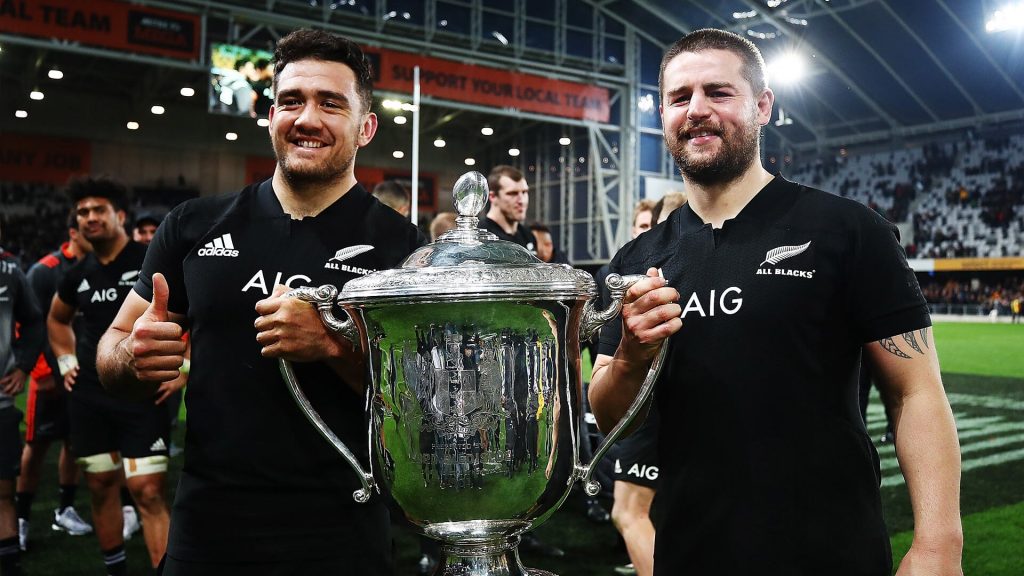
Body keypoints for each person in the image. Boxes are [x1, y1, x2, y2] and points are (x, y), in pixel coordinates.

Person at [589, 28, 962, 575]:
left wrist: (938, 544)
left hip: (831, 555)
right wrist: (630, 357)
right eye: (679, 97)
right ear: (664, 115)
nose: (697, 109)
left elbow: (916, 391)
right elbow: (611, 418)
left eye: (718, 92)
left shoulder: (848, 231)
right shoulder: (635, 260)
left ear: (762, 106)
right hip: (689, 554)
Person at [96, 29, 423, 575]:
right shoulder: (193, 225)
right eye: (291, 101)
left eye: (331, 104)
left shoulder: (406, 250)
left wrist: (334, 344)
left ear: (365, 128)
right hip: (207, 531)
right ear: (271, 117)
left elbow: (427, 405)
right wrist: (132, 357)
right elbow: (112, 352)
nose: (307, 118)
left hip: (342, 535)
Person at [48, 176, 175, 574]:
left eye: (98, 210)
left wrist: (183, 366)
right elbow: (57, 320)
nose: (89, 217)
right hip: (89, 396)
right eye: (82, 212)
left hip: (142, 393)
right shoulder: (76, 274)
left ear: (120, 215)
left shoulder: (150, 259)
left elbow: (192, 313)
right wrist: (66, 361)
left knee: (147, 490)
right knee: (101, 485)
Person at [608, 192, 684, 576]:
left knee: (629, 510)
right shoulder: (629, 267)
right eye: (642, 228)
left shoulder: (652, 273)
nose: (647, 236)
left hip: (651, 407)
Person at [17, 212, 94, 552]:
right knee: (36, 446)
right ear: (73, 233)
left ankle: (64, 510)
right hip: (48, 375)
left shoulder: (95, 267)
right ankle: (20, 518)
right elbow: (25, 322)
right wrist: (39, 371)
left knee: (73, 444)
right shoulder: (44, 270)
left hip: (80, 376)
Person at [0, 224, 46, 576]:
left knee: (2, 493)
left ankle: (10, 565)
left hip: (0, 403)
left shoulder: (10, 268)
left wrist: (24, 365)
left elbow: (34, 321)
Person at [482, 165, 537, 255]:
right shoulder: (481, 236)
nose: (522, 200)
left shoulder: (528, 235)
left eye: (524, 192)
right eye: (512, 193)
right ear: (492, 196)